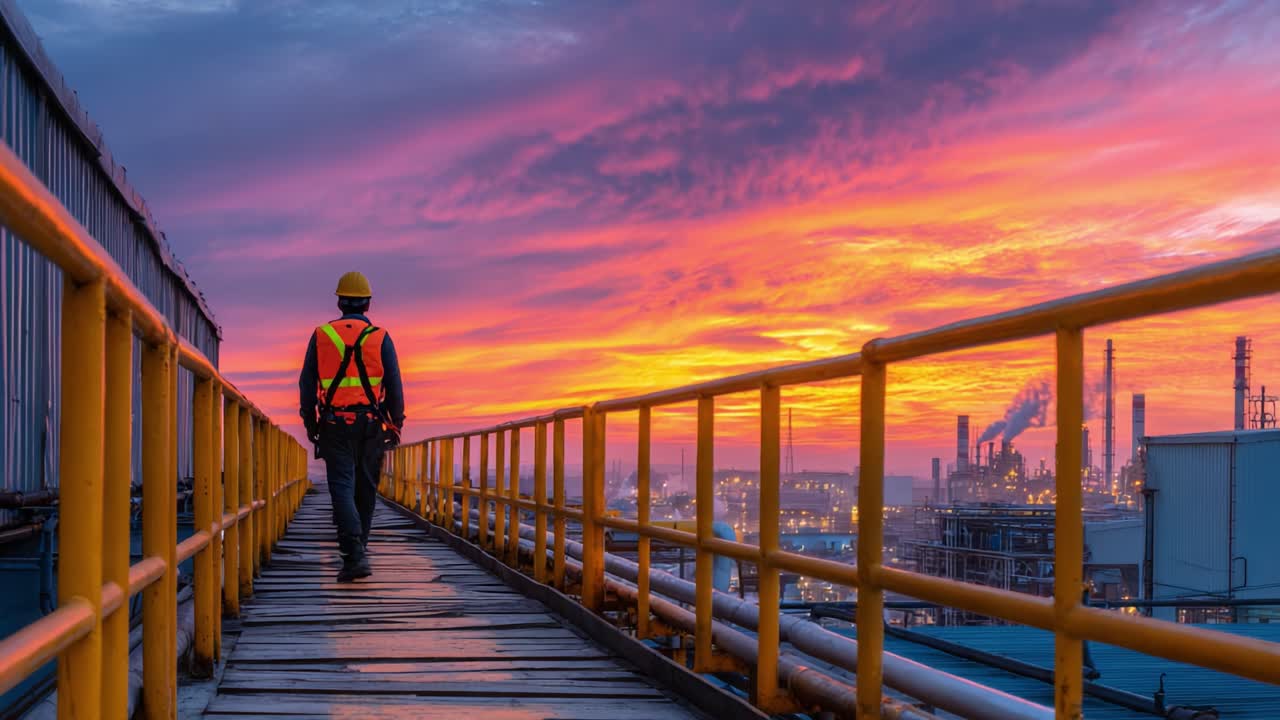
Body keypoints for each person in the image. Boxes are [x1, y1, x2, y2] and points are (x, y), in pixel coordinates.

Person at [298, 271, 405, 582]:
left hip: (333, 423)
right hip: (371, 425)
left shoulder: (321, 336)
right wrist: (395, 424)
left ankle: (353, 555)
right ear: (368, 303)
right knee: (366, 488)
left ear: (340, 302)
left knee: (342, 487)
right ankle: (361, 550)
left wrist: (311, 422)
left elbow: (307, 383)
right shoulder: (380, 337)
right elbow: (395, 387)